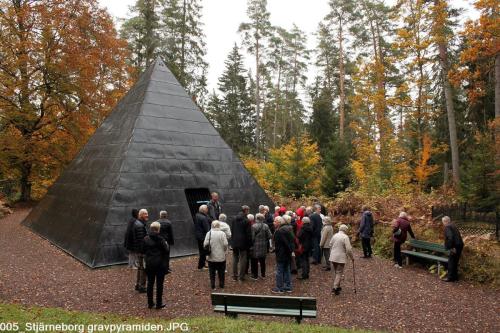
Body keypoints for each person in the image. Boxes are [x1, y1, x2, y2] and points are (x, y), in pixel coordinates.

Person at [143, 221, 169, 309]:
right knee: (159, 284)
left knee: (150, 283)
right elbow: (166, 250)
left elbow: (142, 250)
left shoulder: (146, 239)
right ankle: (159, 303)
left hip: (149, 263)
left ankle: (150, 303)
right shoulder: (161, 239)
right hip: (160, 264)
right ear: (158, 229)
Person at [329, 224, 354, 295]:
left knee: (336, 272)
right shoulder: (345, 237)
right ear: (345, 230)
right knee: (339, 272)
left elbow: (330, 244)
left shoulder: (335, 235)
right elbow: (349, 249)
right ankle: (335, 288)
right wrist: (352, 258)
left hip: (333, 257)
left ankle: (338, 286)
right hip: (341, 257)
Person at [272, 216, 295, 293]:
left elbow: (283, 243)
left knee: (279, 271)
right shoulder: (289, 229)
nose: (274, 222)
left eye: (275, 221)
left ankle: (279, 287)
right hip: (287, 253)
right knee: (286, 270)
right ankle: (288, 286)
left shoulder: (280, 231)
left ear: (280, 222)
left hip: (281, 254)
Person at [204, 220, 228, 290]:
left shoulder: (209, 233)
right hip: (221, 256)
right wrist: (224, 249)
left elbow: (205, 244)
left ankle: (213, 285)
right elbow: (225, 244)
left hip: (211, 256)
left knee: (212, 272)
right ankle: (222, 284)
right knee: (221, 271)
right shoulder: (222, 233)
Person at [231, 206, 252, 281]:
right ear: (246, 210)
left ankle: (234, 276)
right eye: (248, 210)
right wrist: (250, 244)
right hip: (243, 243)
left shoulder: (233, 219)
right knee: (243, 259)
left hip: (235, 241)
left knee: (235, 258)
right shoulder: (247, 221)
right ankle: (241, 276)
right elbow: (248, 234)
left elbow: (232, 230)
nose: (249, 211)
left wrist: (232, 241)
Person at [250, 213, 272, 280]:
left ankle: (255, 275)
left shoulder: (253, 226)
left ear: (256, 218)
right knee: (262, 261)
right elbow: (270, 235)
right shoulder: (266, 226)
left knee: (255, 261)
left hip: (255, 246)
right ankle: (263, 275)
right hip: (263, 245)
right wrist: (265, 240)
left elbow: (252, 237)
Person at [442, 216, 464, 282]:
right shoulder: (453, 226)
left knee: (451, 261)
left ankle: (450, 277)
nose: (443, 223)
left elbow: (450, 237)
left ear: (445, 221)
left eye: (443, 222)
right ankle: (455, 277)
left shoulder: (447, 227)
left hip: (455, 246)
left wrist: (451, 247)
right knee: (455, 261)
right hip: (460, 245)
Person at [133, 209, 149, 293]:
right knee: (143, 269)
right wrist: (145, 251)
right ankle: (142, 286)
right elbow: (142, 241)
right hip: (142, 251)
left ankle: (138, 285)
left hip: (139, 250)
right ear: (141, 215)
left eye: (147, 214)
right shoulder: (140, 225)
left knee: (140, 268)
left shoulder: (138, 223)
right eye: (145, 214)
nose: (147, 215)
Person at [194, 205, 210, 270]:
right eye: (206, 209)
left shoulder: (197, 215)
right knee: (203, 252)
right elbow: (207, 229)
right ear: (203, 210)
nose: (207, 210)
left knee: (202, 251)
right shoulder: (203, 218)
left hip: (198, 236)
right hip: (203, 236)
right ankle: (201, 266)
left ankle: (202, 265)